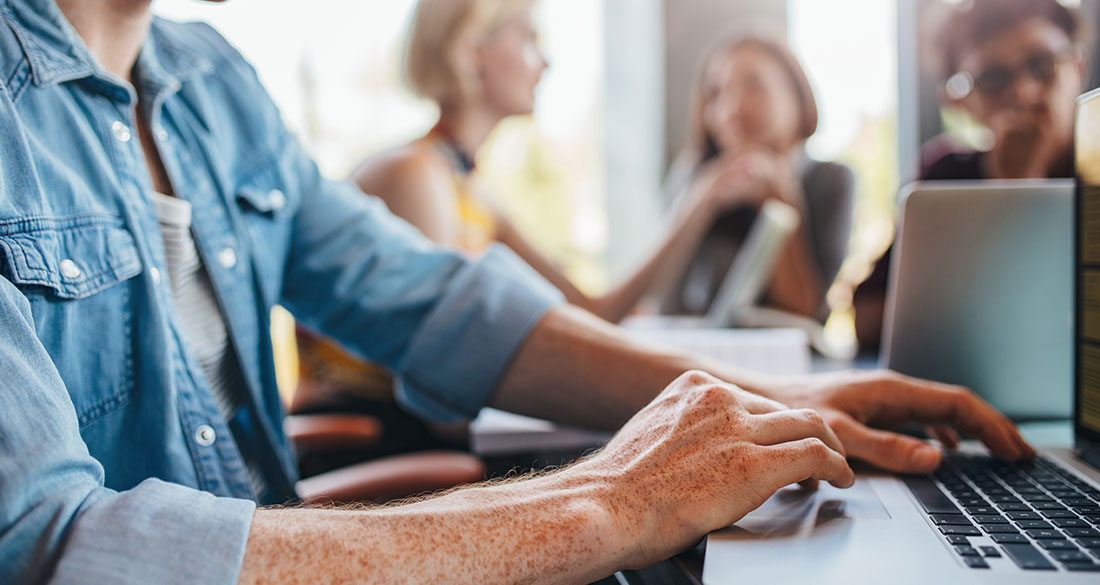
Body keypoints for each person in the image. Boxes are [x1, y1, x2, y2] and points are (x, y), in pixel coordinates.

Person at [0, 1, 1034, 584]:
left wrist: (776, 405)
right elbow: (48, 548)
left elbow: (441, 303)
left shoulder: (207, 78)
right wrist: (599, 503)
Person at [853, 0, 1092, 350]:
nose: (1025, 93)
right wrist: (1009, 195)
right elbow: (870, 319)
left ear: (1078, 67)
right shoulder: (944, 178)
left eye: (1043, 64)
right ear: (959, 101)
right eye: (994, 78)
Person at [660, 30, 854, 323]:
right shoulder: (693, 178)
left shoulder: (829, 179)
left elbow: (802, 312)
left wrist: (779, 200)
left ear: (797, 97)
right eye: (716, 93)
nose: (733, 108)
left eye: (754, 86)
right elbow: (656, 301)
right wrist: (699, 204)